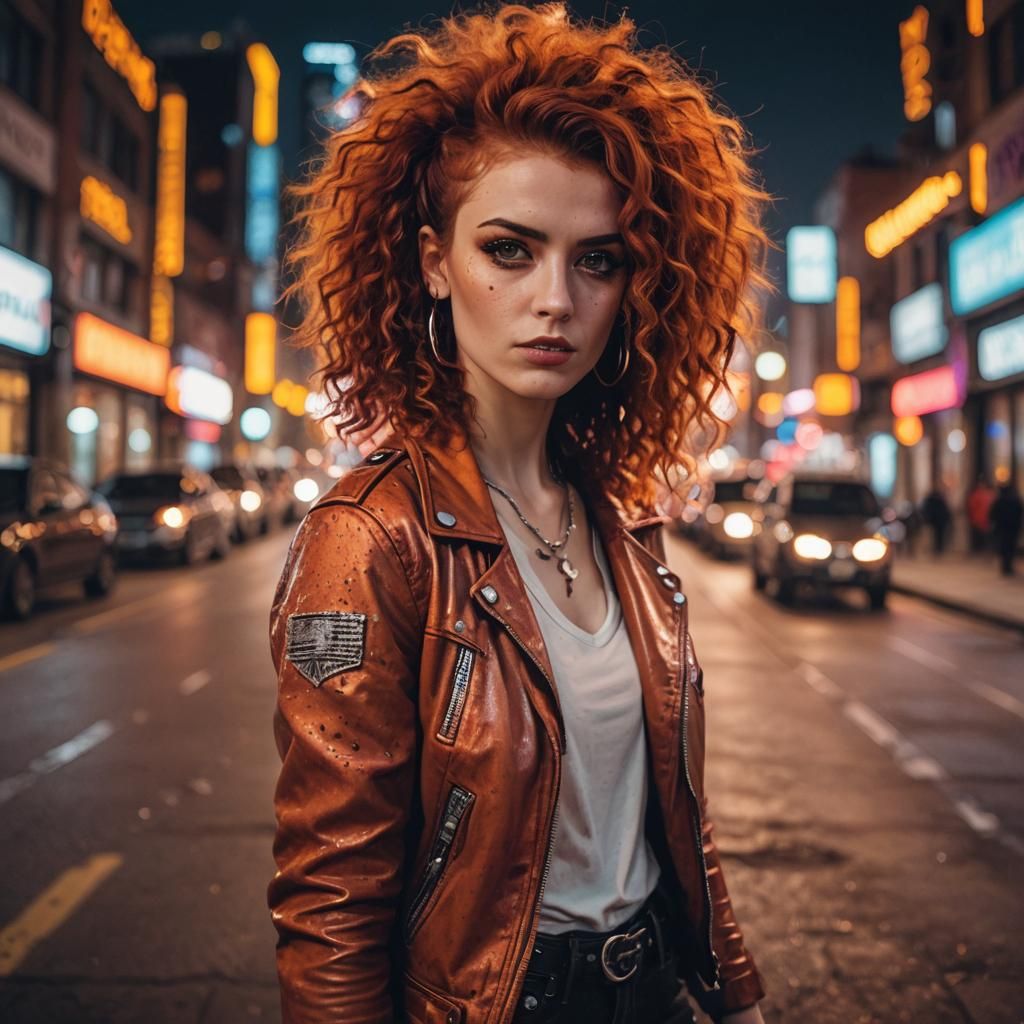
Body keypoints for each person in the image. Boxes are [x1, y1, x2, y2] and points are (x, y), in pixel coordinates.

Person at [268, 5, 770, 1023]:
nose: (555, 299)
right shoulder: (369, 538)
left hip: (658, 991)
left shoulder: (623, 518)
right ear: (429, 263)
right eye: (510, 250)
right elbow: (331, 892)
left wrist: (735, 992)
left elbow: (673, 809)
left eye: (597, 259)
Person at [989, 483, 1023, 577]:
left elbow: (992, 514)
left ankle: (1006, 566)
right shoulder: (1015, 501)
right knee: (1010, 547)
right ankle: (1008, 566)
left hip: (1003, 528)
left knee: (1004, 547)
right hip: (1012, 529)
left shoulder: (1000, 501)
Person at [966, 476, 996, 553]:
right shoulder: (977, 495)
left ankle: (986, 550)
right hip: (979, 519)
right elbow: (971, 507)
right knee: (980, 537)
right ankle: (980, 550)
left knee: (986, 537)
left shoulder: (990, 494)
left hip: (986, 520)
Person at [920, 486, 952, 555]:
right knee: (938, 536)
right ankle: (938, 548)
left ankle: (937, 548)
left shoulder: (931, 501)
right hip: (939, 521)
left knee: (937, 536)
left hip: (936, 521)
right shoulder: (938, 501)